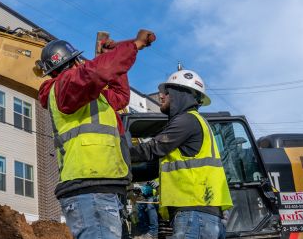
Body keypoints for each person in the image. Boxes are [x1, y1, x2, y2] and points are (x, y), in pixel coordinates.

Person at [37, 29, 156, 239]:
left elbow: (120, 96)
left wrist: (109, 54)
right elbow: (95, 73)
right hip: (89, 189)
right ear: (73, 63)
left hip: (104, 188)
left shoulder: (90, 95)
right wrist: (134, 45)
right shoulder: (64, 87)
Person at [129, 67, 232, 239]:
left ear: (180, 94)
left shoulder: (187, 120)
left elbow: (152, 148)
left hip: (194, 215)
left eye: (166, 92)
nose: (161, 96)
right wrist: (122, 175)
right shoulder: (190, 123)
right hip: (203, 215)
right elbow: (152, 169)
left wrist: (111, 154)